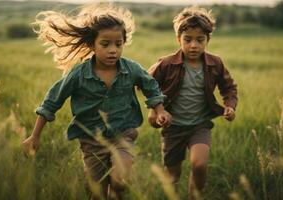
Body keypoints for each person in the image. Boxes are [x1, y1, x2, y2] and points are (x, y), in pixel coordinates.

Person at [22, 3, 171, 200]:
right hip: (91, 140)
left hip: (123, 134)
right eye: (105, 44)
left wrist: (159, 110)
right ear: (92, 45)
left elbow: (150, 86)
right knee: (98, 192)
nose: (113, 50)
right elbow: (52, 101)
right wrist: (35, 136)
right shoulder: (78, 74)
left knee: (119, 182)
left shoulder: (132, 69)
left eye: (119, 44)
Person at [147, 6, 238, 199]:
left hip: (200, 125)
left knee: (199, 164)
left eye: (200, 40)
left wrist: (230, 105)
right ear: (178, 39)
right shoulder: (166, 64)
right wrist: (156, 110)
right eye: (188, 40)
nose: (194, 45)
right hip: (173, 127)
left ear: (208, 40)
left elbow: (229, 87)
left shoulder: (215, 63)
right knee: (172, 175)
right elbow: (148, 85)